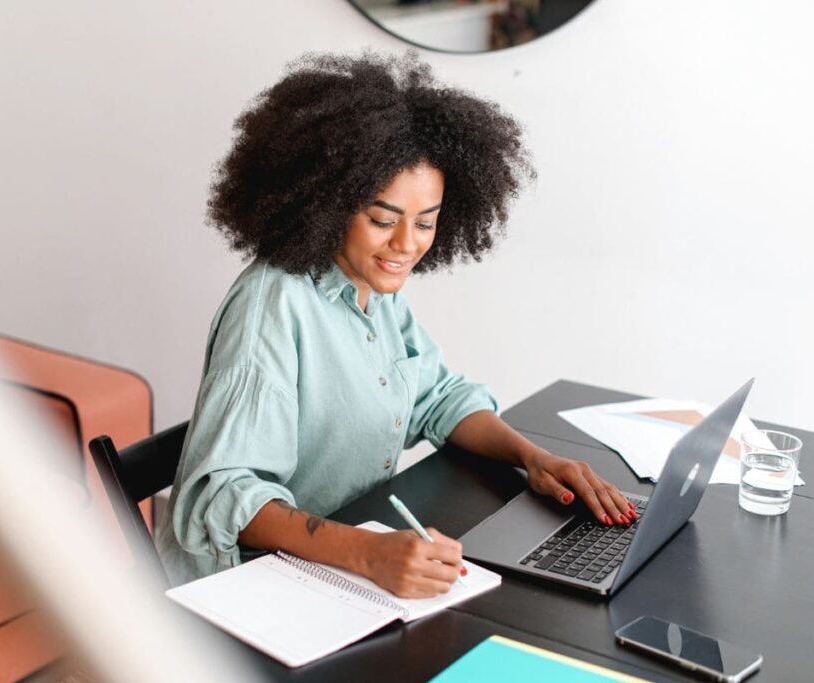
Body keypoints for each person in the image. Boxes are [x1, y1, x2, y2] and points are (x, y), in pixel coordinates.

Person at [157, 52, 636, 596]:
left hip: (340, 560)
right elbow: (224, 497)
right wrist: (369, 553)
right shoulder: (273, 306)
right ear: (329, 204)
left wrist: (535, 460)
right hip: (250, 590)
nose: (406, 245)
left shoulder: (371, 287)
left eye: (426, 222)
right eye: (383, 220)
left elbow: (438, 398)